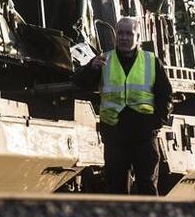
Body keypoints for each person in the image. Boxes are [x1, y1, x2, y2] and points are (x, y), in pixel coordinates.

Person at [74, 17, 173, 195]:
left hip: (144, 135)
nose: (124, 38)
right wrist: (91, 68)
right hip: (115, 135)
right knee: (116, 187)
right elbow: (80, 83)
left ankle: (149, 214)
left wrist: (157, 123)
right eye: (120, 33)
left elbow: (165, 94)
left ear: (138, 37)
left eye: (129, 34)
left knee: (147, 185)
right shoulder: (104, 60)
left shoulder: (151, 61)